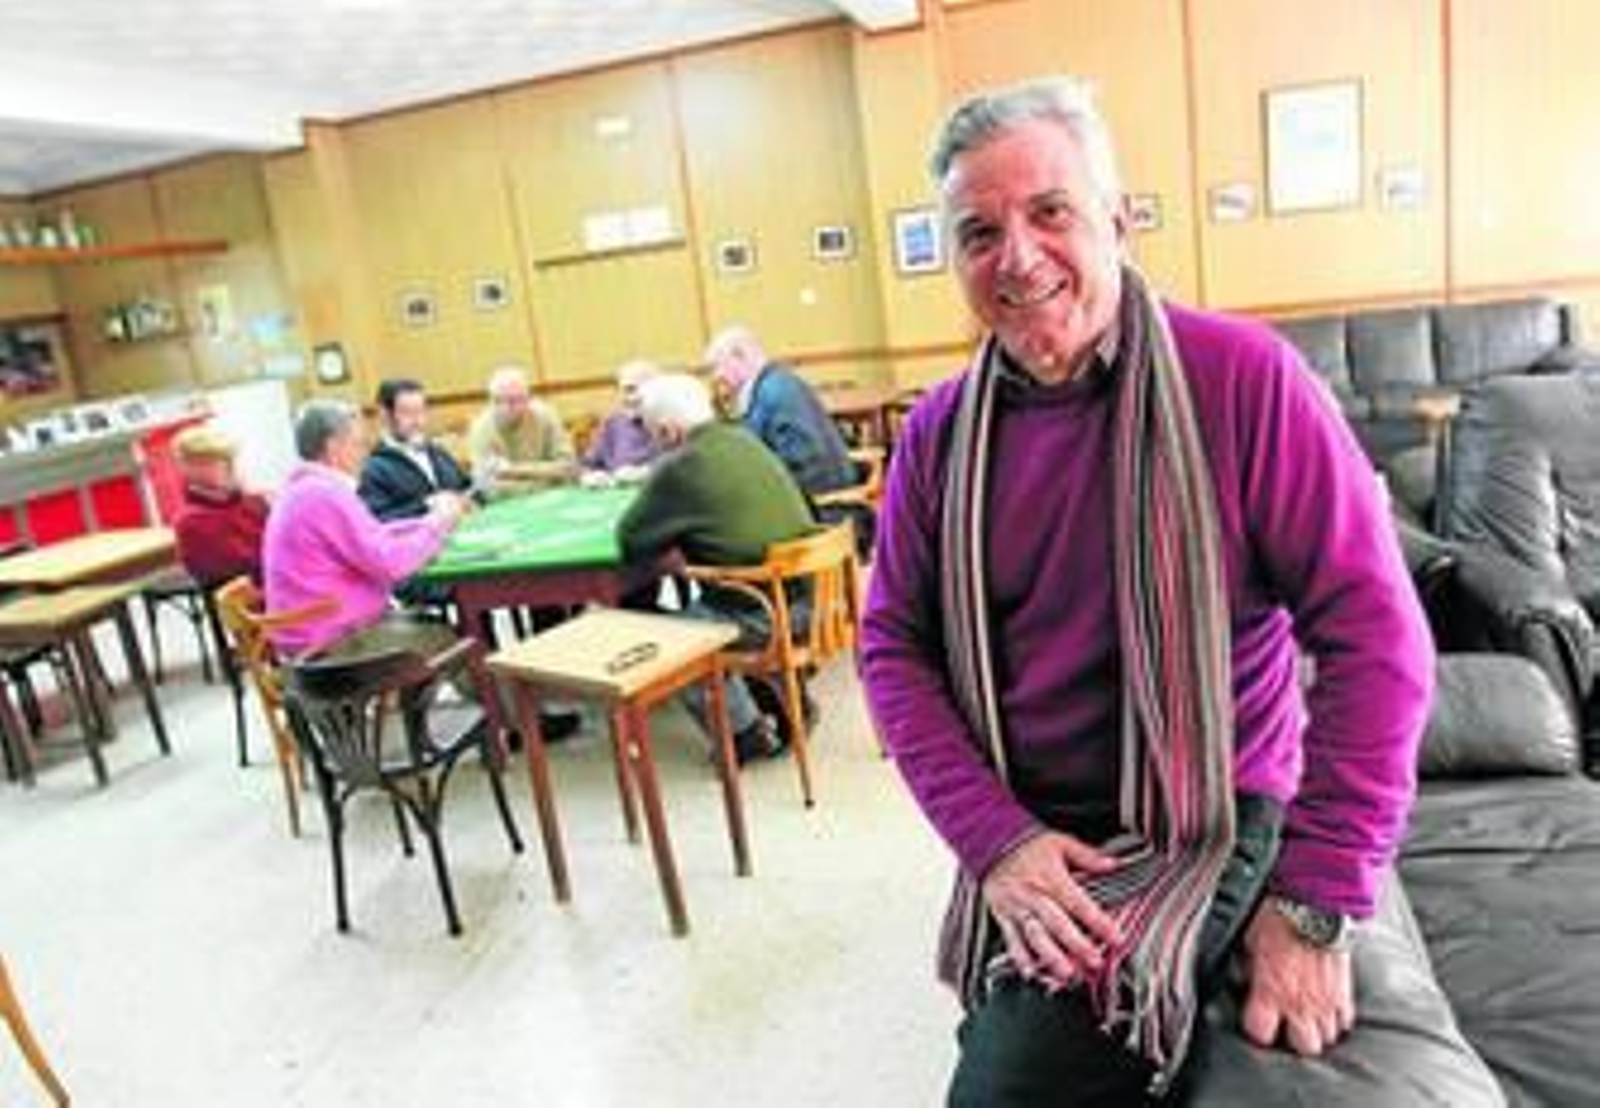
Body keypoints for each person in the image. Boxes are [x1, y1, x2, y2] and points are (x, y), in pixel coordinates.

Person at [859, 76, 1434, 1103]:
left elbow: (1380, 640)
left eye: (1049, 212)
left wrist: (1312, 903)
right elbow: (892, 648)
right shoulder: (937, 434)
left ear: (1117, 220)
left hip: (1205, 809)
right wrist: (996, 840)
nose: (1018, 258)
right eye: (978, 232)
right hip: (1031, 817)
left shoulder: (1242, 378)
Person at [616, 373, 815, 764]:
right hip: (814, 598)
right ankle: (783, 701)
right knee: (710, 604)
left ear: (669, 431)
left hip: (765, 613)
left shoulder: (681, 466)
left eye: (652, 433)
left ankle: (744, 735)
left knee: (674, 635)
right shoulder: (745, 438)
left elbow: (631, 539)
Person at [262, 399, 468, 662]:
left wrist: (429, 521)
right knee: (448, 640)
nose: (364, 454)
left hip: (316, 633)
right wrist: (437, 525)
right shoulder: (324, 494)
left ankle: (402, 701)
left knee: (428, 627)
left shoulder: (306, 487)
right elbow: (390, 563)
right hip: (329, 644)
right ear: (334, 447)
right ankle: (503, 701)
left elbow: (373, 535)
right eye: (358, 443)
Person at [705, 326, 857, 498]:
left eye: (717, 367)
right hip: (820, 495)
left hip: (820, 505)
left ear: (740, 356)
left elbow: (804, 466)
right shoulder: (774, 383)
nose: (716, 377)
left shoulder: (773, 391)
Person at [358, 378, 472, 522]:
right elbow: (378, 520)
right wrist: (426, 506)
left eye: (421, 411)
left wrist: (485, 487)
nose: (418, 421)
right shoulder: (372, 469)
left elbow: (466, 488)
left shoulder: (438, 452)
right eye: (407, 413)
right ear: (385, 415)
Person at [171, 423, 270, 586]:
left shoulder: (255, 502)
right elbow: (238, 571)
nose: (226, 467)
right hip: (248, 604)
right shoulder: (191, 521)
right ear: (188, 468)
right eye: (211, 461)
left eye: (227, 459)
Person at [467, 365, 577, 499]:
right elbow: (488, 488)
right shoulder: (481, 429)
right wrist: (546, 478)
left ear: (528, 399)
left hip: (554, 499)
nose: (507, 408)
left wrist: (511, 470)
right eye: (499, 401)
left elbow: (568, 466)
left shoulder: (545, 415)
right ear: (492, 401)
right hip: (508, 505)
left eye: (515, 401)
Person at [580, 358, 662, 482]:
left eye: (642, 390)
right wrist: (591, 476)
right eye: (628, 390)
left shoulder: (673, 423)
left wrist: (646, 472)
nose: (634, 397)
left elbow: (686, 468)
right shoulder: (612, 424)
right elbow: (587, 465)